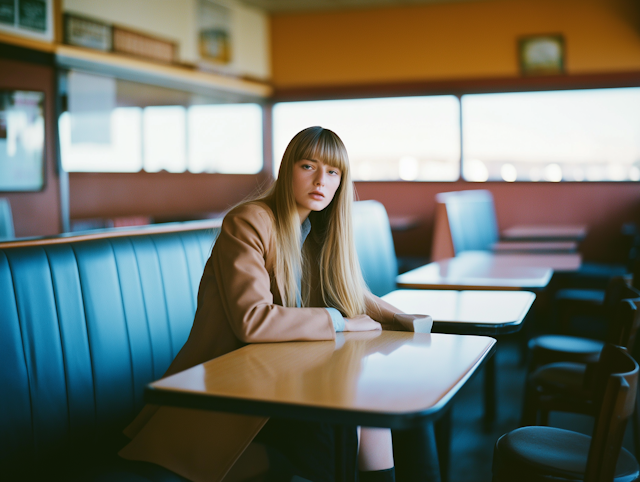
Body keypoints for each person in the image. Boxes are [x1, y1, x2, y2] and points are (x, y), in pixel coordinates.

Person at [119, 126, 430, 482]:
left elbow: (352, 291)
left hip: (284, 381)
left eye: (333, 172)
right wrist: (341, 322)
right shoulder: (248, 222)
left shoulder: (314, 231)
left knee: (400, 406)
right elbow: (252, 321)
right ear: (287, 171)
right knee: (350, 423)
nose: (321, 181)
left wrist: (402, 318)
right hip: (234, 394)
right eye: (308, 166)